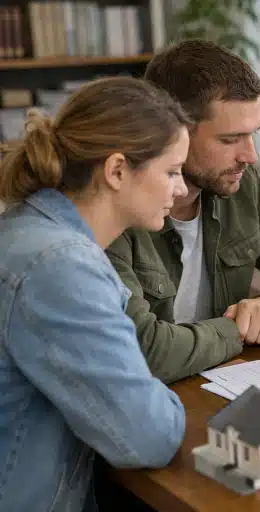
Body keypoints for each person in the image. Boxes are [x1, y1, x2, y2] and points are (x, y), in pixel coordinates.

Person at [0, 77, 190, 511]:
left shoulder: (26, 229)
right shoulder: (61, 265)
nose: (180, 189)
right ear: (117, 170)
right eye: (172, 171)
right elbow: (148, 437)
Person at [106, 40, 260, 384]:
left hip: (213, 382)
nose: (250, 156)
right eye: (230, 140)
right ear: (172, 133)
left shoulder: (240, 185)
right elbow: (143, 352)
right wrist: (235, 330)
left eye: (253, 135)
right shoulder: (115, 209)